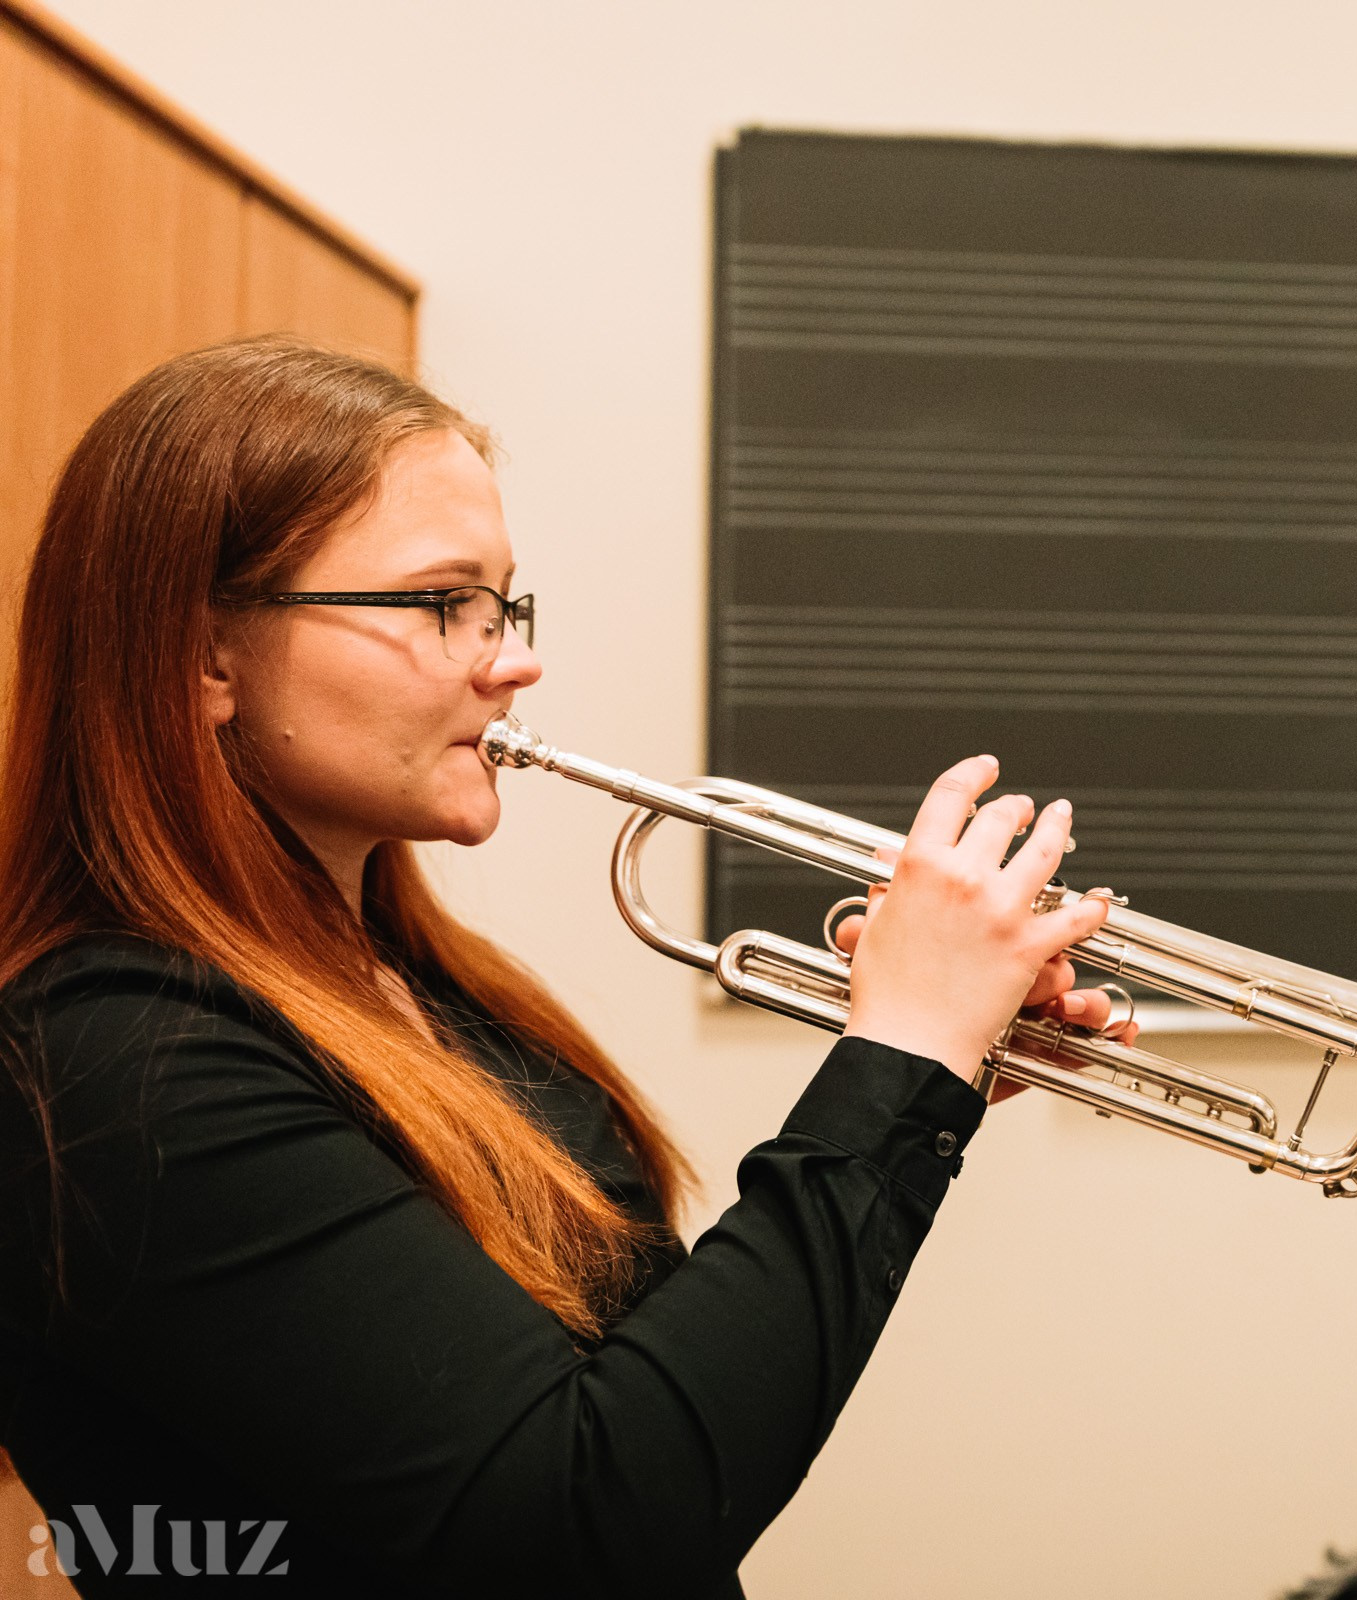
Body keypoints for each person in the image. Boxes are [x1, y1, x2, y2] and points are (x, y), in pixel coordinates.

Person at [0, 336, 1124, 1596]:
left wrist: (928, 1083)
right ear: (208, 656)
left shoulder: (426, 994)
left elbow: (648, 1392)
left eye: (503, 604)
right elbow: (587, 1523)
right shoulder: (111, 1062)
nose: (511, 660)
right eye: (440, 604)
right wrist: (897, 1060)